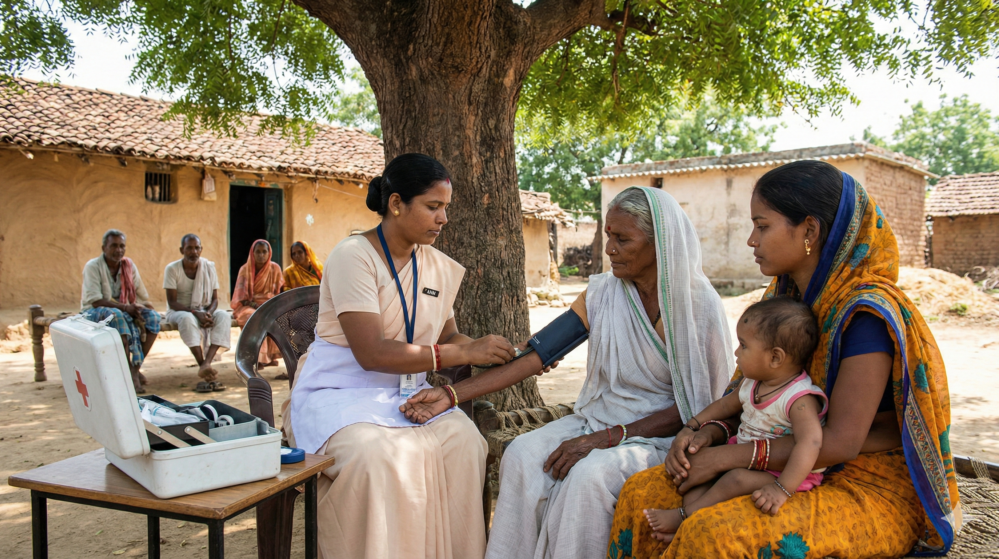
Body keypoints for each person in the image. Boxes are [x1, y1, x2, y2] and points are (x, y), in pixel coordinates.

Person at [609, 161, 960, 558]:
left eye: (762, 226)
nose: (751, 240)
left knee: (713, 534)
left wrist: (726, 457)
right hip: (769, 463)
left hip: (861, 481)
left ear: (809, 230)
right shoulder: (782, 304)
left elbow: (842, 443)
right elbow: (748, 397)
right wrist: (703, 434)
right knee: (642, 492)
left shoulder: (866, 316)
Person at [401, 186, 734, 559]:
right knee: (523, 454)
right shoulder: (603, 293)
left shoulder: (697, 307)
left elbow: (699, 405)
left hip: (658, 434)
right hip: (598, 419)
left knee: (588, 478)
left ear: (660, 244)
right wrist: (450, 396)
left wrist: (607, 439)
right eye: (609, 235)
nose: (609, 249)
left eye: (623, 239)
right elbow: (534, 357)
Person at [289, 153, 520, 559]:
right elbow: (371, 352)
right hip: (340, 393)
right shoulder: (353, 256)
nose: (443, 219)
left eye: (445, 208)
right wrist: (464, 350)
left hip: (407, 394)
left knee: (464, 442)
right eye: (433, 207)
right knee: (374, 456)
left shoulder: (433, 265)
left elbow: (448, 336)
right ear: (396, 203)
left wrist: (499, 353)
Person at [644, 297, 826, 535]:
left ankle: (683, 517)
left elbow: (811, 442)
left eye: (744, 345)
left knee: (735, 480)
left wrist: (782, 489)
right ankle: (689, 527)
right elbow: (723, 406)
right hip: (745, 458)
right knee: (693, 480)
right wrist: (692, 426)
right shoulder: (752, 383)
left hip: (785, 474)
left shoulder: (799, 398)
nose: (736, 352)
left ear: (775, 357)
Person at [80, 229, 162, 394]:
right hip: (94, 311)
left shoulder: (128, 265)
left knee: (153, 317)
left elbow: (140, 294)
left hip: (125, 309)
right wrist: (126, 308)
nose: (118, 250)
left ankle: (133, 369)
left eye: (122, 246)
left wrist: (142, 307)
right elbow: (95, 301)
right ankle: (128, 375)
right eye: (114, 246)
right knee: (117, 316)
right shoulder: (93, 266)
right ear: (104, 248)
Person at [163, 234, 232, 393]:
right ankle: (202, 363)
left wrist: (208, 313)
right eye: (189, 248)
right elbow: (172, 302)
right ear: (182, 250)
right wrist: (196, 313)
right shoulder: (172, 269)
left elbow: (215, 299)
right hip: (179, 311)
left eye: (196, 248)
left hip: (203, 310)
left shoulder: (208, 267)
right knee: (187, 318)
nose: (193, 251)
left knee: (223, 316)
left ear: (201, 250)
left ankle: (206, 363)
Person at [231, 239, 283, 368]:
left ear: (269, 253)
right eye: (258, 252)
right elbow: (241, 297)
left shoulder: (275, 268)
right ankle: (256, 358)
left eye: (264, 252)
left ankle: (269, 356)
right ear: (252, 253)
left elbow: (279, 292)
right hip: (248, 306)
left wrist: (270, 305)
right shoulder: (245, 269)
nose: (261, 255)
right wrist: (256, 306)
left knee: (277, 316)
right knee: (254, 317)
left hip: (270, 305)